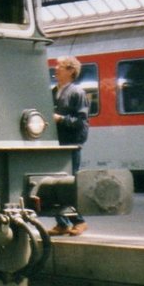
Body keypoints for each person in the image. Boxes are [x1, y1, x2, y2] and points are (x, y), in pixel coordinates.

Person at [51, 55, 90, 236]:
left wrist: (61, 119)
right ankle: (62, 222)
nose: (56, 68)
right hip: (56, 143)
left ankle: (79, 221)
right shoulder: (54, 91)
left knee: (69, 183)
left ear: (71, 71)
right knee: (53, 183)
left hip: (70, 144)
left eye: (60, 66)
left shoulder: (77, 93)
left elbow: (81, 121)